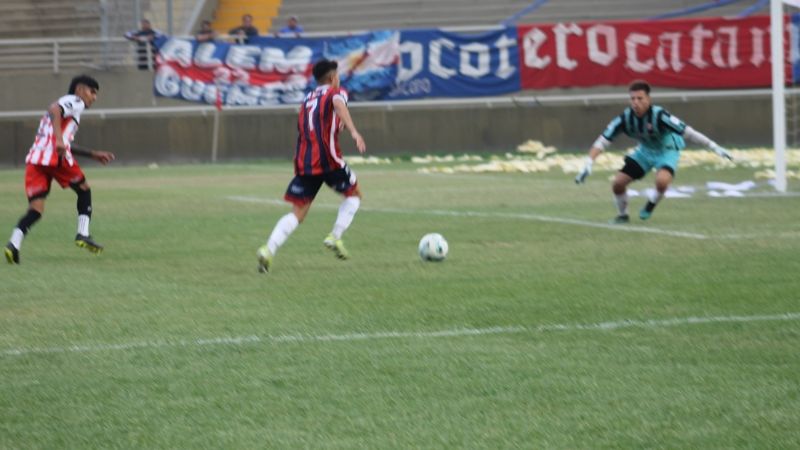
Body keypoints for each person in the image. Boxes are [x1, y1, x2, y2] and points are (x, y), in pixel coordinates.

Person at [257, 59, 366, 273]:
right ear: (333, 78)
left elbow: (312, 122)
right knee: (354, 195)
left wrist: (337, 124)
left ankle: (268, 250)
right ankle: (335, 236)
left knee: (298, 213)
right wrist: (353, 131)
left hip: (305, 161)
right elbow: (337, 103)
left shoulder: (307, 98)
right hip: (329, 158)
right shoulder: (336, 92)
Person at [575, 80, 733, 223]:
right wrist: (588, 163)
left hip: (667, 150)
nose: (636, 103)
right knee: (618, 184)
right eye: (633, 99)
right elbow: (602, 141)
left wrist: (714, 146)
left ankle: (650, 205)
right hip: (645, 151)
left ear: (648, 99)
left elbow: (688, 132)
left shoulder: (660, 116)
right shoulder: (625, 118)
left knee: (662, 181)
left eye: (640, 98)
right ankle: (623, 215)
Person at [4, 75, 115, 265]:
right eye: (92, 91)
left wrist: (92, 153)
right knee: (84, 189)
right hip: (54, 157)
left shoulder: (69, 109)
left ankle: (13, 244)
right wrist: (58, 139)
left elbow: (65, 139)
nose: (94, 97)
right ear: (80, 89)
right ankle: (83, 233)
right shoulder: (74, 101)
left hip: (36, 159)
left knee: (36, 210)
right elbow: (55, 110)